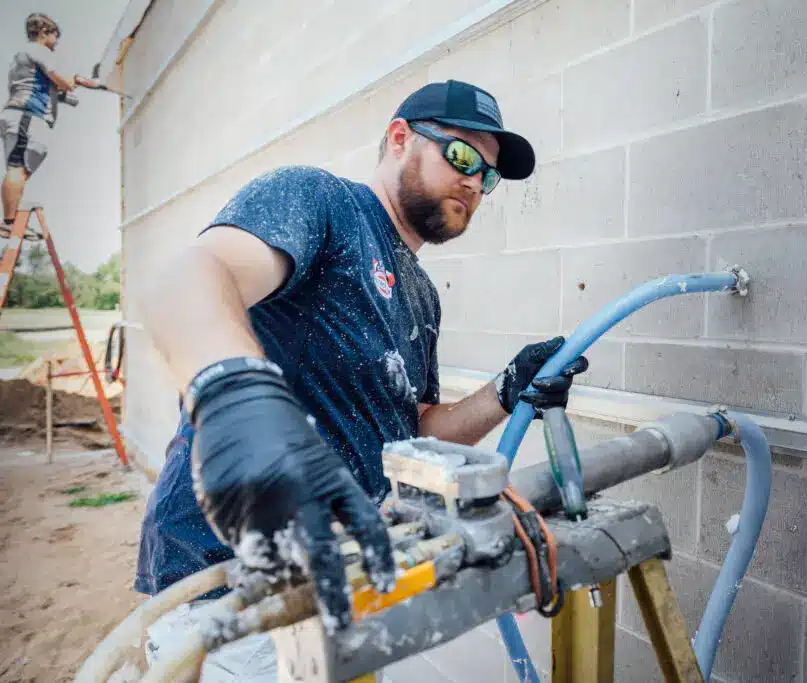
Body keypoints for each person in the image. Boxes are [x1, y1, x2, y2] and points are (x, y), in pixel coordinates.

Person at [135, 78, 589, 680]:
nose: (476, 182)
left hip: (337, 581)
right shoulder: (320, 203)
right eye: (462, 156)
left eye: (490, 176)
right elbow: (188, 277)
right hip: (230, 585)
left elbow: (420, 431)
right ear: (401, 138)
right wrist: (234, 394)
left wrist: (506, 390)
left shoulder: (422, 296)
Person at [1, 13, 83, 235]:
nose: (56, 43)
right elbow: (62, 81)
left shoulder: (26, 57)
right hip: (26, 116)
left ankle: (11, 221)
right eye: (56, 36)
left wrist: (65, 93)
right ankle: (8, 223)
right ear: (45, 32)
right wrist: (73, 81)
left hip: (24, 116)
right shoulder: (38, 50)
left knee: (23, 166)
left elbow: (49, 88)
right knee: (17, 167)